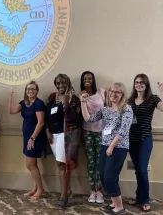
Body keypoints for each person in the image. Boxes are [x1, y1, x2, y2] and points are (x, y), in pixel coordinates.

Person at [81, 83, 133, 215]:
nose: (113, 94)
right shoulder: (105, 109)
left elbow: (123, 131)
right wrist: (83, 102)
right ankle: (114, 203)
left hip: (118, 147)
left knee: (110, 177)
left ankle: (120, 207)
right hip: (104, 145)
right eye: (112, 91)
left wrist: (111, 147)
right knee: (103, 176)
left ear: (123, 94)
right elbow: (89, 118)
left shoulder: (126, 109)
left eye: (118, 92)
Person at [127, 74, 163, 212]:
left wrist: (162, 91)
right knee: (138, 171)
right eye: (137, 82)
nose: (139, 85)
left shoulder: (152, 99)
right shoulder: (130, 100)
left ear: (146, 85)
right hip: (131, 140)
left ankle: (145, 200)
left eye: (142, 83)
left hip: (145, 139)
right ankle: (139, 196)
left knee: (142, 170)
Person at [45, 74, 83, 209]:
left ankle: (63, 197)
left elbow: (75, 118)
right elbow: (47, 117)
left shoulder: (74, 99)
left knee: (63, 165)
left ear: (68, 83)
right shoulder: (52, 98)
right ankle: (66, 191)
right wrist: (47, 131)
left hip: (67, 135)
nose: (61, 86)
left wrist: (66, 105)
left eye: (63, 83)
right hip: (53, 137)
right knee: (60, 164)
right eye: (58, 83)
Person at [9, 80, 45, 202]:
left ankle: (40, 189)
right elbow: (12, 111)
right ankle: (34, 188)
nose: (30, 91)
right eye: (28, 89)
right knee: (32, 165)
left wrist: (32, 138)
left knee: (30, 165)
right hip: (27, 138)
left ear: (37, 91)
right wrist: (10, 97)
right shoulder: (24, 103)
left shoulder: (39, 104)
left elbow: (40, 122)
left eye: (33, 89)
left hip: (34, 138)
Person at [79, 71, 105, 203]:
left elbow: (108, 110)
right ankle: (92, 191)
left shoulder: (101, 92)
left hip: (101, 131)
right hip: (87, 131)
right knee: (90, 161)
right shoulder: (81, 96)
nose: (87, 80)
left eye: (89, 78)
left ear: (93, 80)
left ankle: (99, 191)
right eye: (85, 79)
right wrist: (82, 99)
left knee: (100, 161)